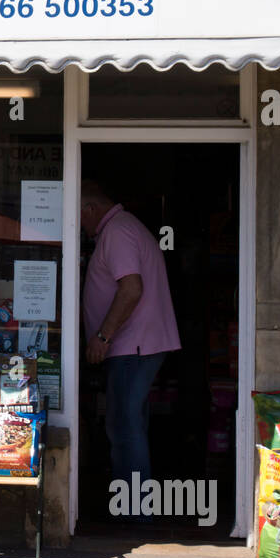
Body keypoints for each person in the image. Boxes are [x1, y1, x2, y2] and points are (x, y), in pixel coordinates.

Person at [81, 180, 181, 506]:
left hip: (132, 346)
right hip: (136, 346)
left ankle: (135, 509)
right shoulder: (122, 228)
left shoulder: (118, 232)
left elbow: (131, 289)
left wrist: (103, 336)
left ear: (90, 209)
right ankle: (133, 505)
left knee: (124, 426)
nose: (77, 225)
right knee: (128, 422)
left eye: (78, 216)